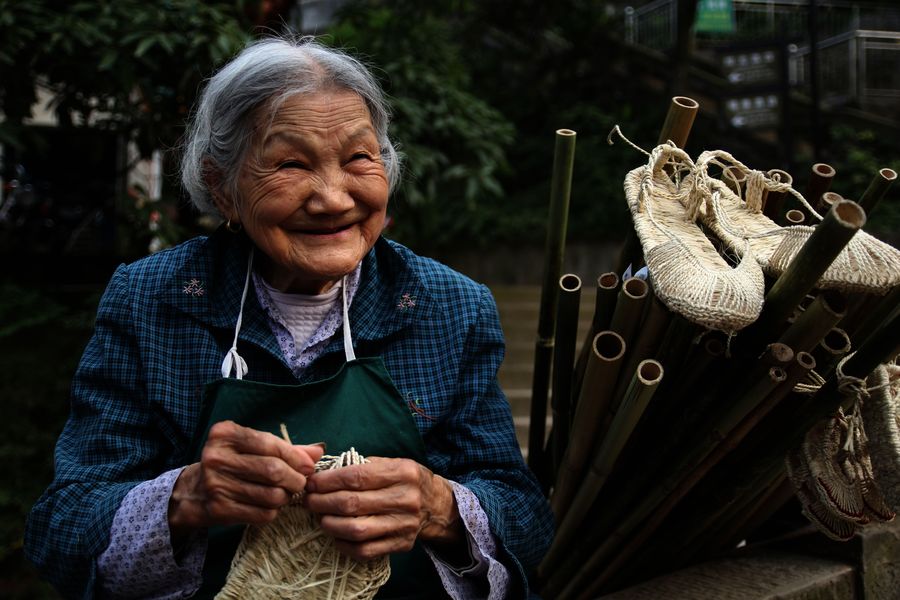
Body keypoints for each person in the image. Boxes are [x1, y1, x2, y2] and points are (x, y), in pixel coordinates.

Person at [25, 36, 553, 599]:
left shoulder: (448, 306)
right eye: (291, 163)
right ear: (223, 187)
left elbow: (525, 518)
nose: (332, 197)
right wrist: (185, 498)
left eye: (358, 158)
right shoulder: (152, 299)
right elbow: (63, 528)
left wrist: (440, 509)